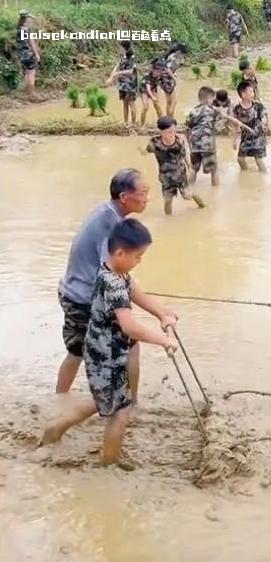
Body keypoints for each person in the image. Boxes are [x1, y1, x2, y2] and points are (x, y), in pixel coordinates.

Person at [43, 219, 178, 468]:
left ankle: (55, 430)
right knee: (121, 411)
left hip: (103, 351)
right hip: (106, 356)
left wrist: (162, 314)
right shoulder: (114, 284)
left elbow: (135, 293)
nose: (140, 261)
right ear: (119, 252)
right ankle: (109, 465)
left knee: (100, 401)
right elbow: (129, 326)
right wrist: (162, 340)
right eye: (138, 256)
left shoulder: (112, 271)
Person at [56, 169, 155, 395]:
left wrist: (159, 311)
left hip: (73, 292)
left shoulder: (107, 212)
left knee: (77, 351)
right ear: (124, 197)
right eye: (144, 193)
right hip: (84, 299)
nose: (147, 198)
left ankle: (59, 402)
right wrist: (159, 316)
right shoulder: (111, 225)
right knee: (129, 345)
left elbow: (119, 277)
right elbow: (115, 277)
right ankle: (128, 404)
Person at [186, 86, 252, 186]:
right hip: (208, 143)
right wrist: (241, 124)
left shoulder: (192, 112)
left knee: (193, 168)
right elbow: (228, 118)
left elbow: (188, 130)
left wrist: (190, 144)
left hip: (194, 143)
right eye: (212, 98)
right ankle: (215, 192)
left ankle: (189, 188)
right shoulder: (213, 110)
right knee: (214, 170)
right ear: (209, 99)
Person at [143, 116, 205, 215]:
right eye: (170, 132)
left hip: (180, 174)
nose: (173, 134)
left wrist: (190, 169)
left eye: (174, 131)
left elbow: (185, 156)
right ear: (161, 132)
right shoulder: (154, 143)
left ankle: (203, 206)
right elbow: (145, 151)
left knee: (187, 195)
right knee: (168, 200)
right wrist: (141, 151)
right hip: (165, 177)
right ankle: (168, 221)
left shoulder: (179, 141)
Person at [233, 80, 268, 172]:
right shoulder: (237, 109)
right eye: (251, 92)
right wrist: (234, 140)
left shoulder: (258, 106)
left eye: (253, 91)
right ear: (243, 94)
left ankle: (263, 176)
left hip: (258, 137)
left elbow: (266, 116)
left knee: (259, 160)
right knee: (240, 159)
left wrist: (266, 126)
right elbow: (236, 126)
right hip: (245, 138)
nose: (253, 94)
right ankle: (244, 173)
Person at [107, 41, 137, 125]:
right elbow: (118, 65)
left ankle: (134, 124)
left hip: (130, 84)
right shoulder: (122, 57)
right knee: (125, 103)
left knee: (131, 103)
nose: (118, 48)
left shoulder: (131, 57)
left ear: (124, 48)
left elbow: (131, 71)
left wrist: (117, 74)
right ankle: (126, 123)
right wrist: (112, 75)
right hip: (122, 84)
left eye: (120, 47)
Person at [16, 10, 40, 95]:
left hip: (22, 54)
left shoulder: (19, 28)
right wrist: (36, 53)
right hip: (29, 54)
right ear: (26, 18)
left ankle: (26, 93)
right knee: (32, 73)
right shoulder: (27, 29)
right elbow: (31, 42)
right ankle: (31, 93)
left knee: (27, 72)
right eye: (29, 18)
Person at [139, 59, 163, 125]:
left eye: (159, 71)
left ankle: (161, 123)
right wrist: (153, 97)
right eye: (156, 71)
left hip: (153, 89)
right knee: (145, 106)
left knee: (157, 106)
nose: (157, 73)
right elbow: (148, 89)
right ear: (153, 70)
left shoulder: (160, 75)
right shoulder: (147, 76)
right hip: (144, 90)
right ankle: (142, 124)